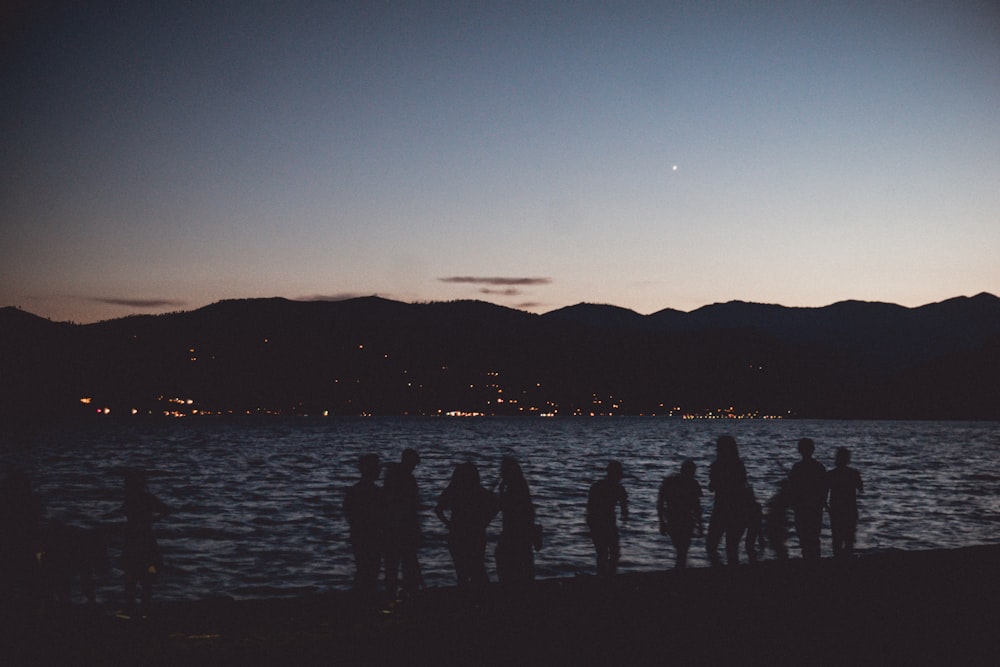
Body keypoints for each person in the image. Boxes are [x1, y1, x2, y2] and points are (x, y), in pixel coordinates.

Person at [435, 462, 498, 587]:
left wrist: (448, 524)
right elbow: (495, 506)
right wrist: (485, 522)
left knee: (461, 573)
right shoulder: (479, 491)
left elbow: (438, 509)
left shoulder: (453, 490)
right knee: (478, 569)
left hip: (457, 534)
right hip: (476, 533)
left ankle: (465, 599)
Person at [121, 470, 169, 618]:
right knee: (144, 574)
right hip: (143, 538)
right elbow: (166, 510)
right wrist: (153, 521)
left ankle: (133, 609)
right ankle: (142, 609)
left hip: (136, 539)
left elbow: (165, 510)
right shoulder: (143, 498)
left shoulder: (134, 499)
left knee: (133, 574)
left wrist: (151, 521)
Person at [382, 448, 423, 599]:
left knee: (395, 565)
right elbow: (411, 507)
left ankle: (395, 593)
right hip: (401, 529)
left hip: (394, 528)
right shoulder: (405, 480)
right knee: (404, 564)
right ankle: (406, 593)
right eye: (413, 464)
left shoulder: (392, 478)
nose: (414, 468)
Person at [343, 453, 384, 593]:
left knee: (364, 570)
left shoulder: (354, 491)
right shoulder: (375, 492)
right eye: (377, 467)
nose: (379, 470)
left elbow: (348, 513)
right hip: (369, 536)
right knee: (369, 570)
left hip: (360, 535)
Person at [706, 436, 748, 567]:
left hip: (722, 507)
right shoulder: (739, 465)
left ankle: (720, 570)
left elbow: (712, 487)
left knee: (711, 545)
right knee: (732, 546)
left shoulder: (718, 466)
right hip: (738, 508)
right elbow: (742, 484)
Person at [494, 456, 537, 585]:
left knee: (507, 563)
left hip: (512, 533)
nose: (500, 472)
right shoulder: (522, 488)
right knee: (524, 564)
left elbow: (500, 506)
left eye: (502, 470)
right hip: (523, 533)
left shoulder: (512, 491)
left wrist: (500, 491)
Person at [657, 459, 702, 568]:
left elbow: (660, 503)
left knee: (681, 550)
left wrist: (662, 522)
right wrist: (700, 524)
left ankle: (679, 572)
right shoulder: (692, 483)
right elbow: (697, 507)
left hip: (675, 518)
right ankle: (680, 571)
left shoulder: (670, 481)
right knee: (682, 551)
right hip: (682, 519)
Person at [586, 460, 629, 576]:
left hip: (600, 522)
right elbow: (625, 511)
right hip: (604, 523)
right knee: (611, 553)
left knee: (604, 553)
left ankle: (604, 575)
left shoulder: (597, 486)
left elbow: (589, 507)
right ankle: (608, 575)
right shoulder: (619, 489)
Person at [788, 438, 828, 561]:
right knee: (814, 537)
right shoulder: (819, 467)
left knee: (804, 537)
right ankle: (815, 561)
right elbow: (824, 488)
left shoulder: (797, 467)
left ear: (800, 450)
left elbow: (792, 488)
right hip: (815, 506)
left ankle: (808, 561)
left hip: (802, 507)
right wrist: (822, 502)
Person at [827, 447, 863, 558]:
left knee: (836, 539)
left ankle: (837, 562)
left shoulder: (831, 474)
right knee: (849, 539)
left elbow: (823, 492)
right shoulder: (853, 473)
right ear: (848, 459)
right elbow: (860, 488)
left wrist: (826, 506)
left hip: (836, 510)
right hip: (850, 509)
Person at [763, 479, 792, 560]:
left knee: (777, 543)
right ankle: (782, 559)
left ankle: (782, 560)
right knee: (777, 543)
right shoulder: (783, 496)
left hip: (776, 522)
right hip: (777, 521)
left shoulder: (782, 497)